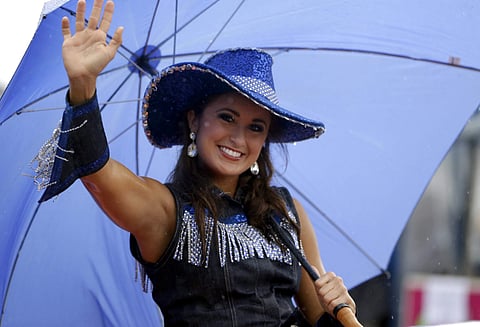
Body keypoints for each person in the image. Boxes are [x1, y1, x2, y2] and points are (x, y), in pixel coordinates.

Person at [37, 0, 358, 325]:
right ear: (194, 121)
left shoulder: (286, 211)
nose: (238, 138)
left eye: (256, 127)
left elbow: (317, 316)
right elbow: (96, 172)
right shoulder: (164, 209)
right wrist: (83, 85)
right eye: (227, 117)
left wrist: (339, 309)